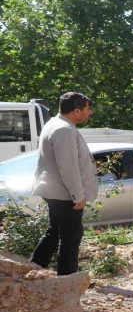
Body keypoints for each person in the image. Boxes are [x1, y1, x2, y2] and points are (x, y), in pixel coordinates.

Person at [30, 92, 97, 275]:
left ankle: (32, 270)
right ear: (76, 111)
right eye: (87, 109)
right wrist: (78, 195)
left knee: (55, 232)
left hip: (57, 191)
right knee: (71, 236)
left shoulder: (56, 124)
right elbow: (68, 168)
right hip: (64, 193)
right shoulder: (64, 130)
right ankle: (68, 280)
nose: (90, 113)